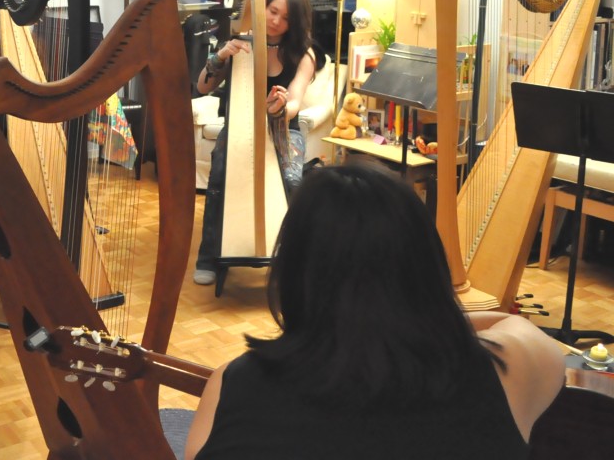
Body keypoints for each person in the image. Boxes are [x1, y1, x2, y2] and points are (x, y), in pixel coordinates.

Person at [184, 161, 566, 459]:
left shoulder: (232, 385)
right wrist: (415, 319)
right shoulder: (509, 370)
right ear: (426, 265)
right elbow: (512, 322)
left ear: (294, 272)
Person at [193, 0, 324, 285]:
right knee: (220, 174)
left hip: (282, 128)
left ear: (296, 22)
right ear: (261, 7)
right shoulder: (241, 43)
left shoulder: (304, 55)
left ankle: (294, 258)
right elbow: (202, 86)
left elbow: (293, 102)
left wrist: (278, 107)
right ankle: (209, 256)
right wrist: (221, 55)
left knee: (292, 179)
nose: (276, 21)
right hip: (240, 128)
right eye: (272, 11)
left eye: (286, 17)